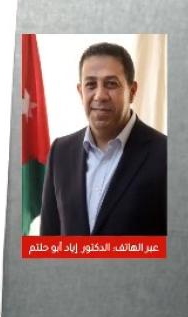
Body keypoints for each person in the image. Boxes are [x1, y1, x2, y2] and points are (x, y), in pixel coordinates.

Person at [40, 42, 166, 236]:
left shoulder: (166, 154)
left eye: (111, 84)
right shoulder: (60, 152)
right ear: (80, 91)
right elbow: (49, 239)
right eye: (91, 85)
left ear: (132, 91)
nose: (100, 95)